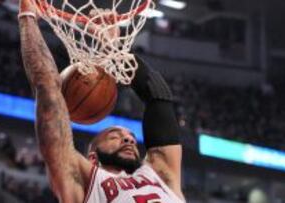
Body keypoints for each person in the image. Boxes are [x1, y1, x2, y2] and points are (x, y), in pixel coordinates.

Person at [18, 0, 185, 202]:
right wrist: (27, 18)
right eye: (114, 136)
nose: (129, 139)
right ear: (93, 157)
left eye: (130, 137)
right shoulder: (83, 181)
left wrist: (115, 50)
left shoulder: (161, 175)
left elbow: (159, 98)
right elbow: (47, 89)